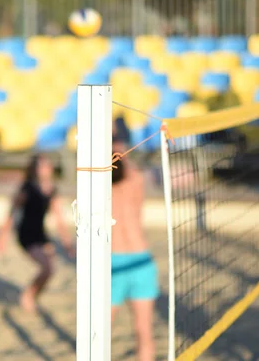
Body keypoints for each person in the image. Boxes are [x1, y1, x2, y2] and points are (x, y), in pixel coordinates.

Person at [0, 154, 75, 312]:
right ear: (35, 169)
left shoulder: (52, 190)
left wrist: (67, 244)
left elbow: (59, 219)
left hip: (41, 234)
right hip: (26, 234)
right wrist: (2, 238)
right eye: (41, 166)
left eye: (47, 165)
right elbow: (11, 213)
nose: (45, 169)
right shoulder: (27, 188)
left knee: (50, 270)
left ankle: (31, 295)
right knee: (47, 268)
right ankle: (27, 296)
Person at [111, 138, 159, 361]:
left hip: (129, 261)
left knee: (142, 331)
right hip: (132, 262)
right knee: (141, 331)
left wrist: (114, 151)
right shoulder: (135, 179)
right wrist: (121, 152)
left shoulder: (98, 185)